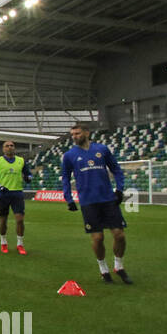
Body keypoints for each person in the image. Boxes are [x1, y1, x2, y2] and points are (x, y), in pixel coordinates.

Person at [61, 122, 131, 284]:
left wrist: (119, 189)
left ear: (87, 133)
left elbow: (116, 169)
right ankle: (103, 268)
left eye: (77, 133)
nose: (74, 137)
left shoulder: (102, 150)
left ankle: (119, 266)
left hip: (108, 199)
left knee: (119, 235)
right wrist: (69, 199)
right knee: (98, 238)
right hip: (88, 201)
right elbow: (65, 177)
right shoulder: (70, 155)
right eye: (72, 134)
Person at [0, 141, 30, 255]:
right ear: (3, 149)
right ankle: (3, 242)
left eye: (12, 145)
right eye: (7, 146)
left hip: (17, 193)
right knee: (3, 220)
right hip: (3, 194)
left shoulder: (21, 161)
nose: (10, 147)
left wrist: (28, 177)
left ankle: (20, 244)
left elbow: (28, 173)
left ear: (14, 148)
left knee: (20, 220)